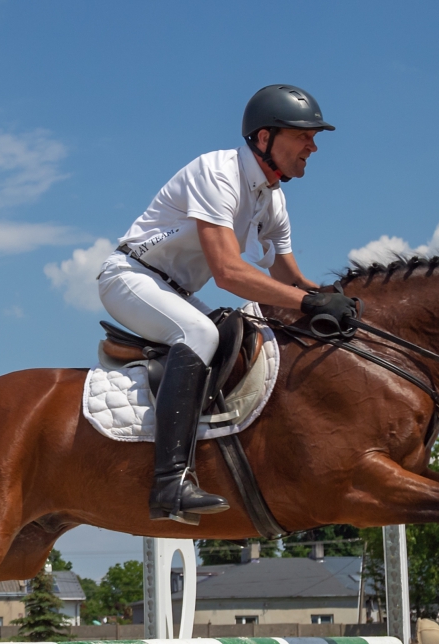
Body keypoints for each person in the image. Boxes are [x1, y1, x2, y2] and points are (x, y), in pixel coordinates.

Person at [97, 85, 356, 525]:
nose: (313, 146)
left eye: (314, 137)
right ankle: (169, 483)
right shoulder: (217, 173)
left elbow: (289, 278)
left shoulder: (272, 198)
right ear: (263, 138)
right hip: (130, 277)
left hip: (173, 290)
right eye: (303, 135)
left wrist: (337, 302)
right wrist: (308, 302)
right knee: (200, 333)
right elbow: (228, 273)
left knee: (245, 335)